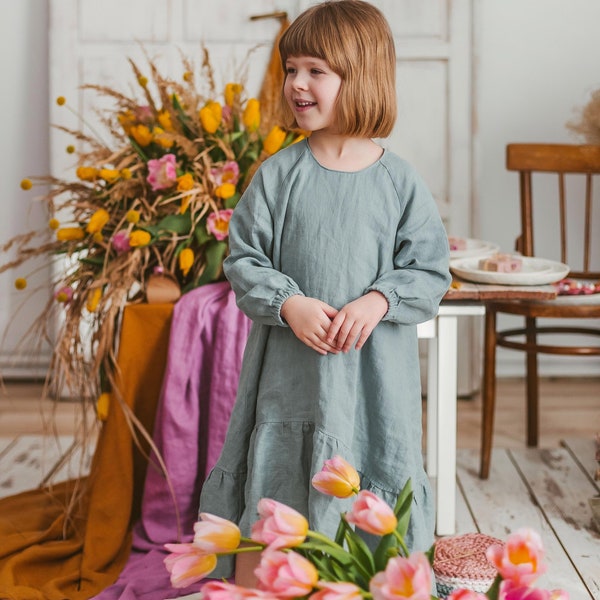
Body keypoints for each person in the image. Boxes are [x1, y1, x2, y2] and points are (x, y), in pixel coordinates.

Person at [198, 0, 451, 587]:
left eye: (315, 70)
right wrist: (289, 302)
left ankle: (365, 581)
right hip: (290, 377)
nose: (297, 84)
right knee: (279, 482)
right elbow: (244, 259)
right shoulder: (279, 175)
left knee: (371, 473)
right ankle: (268, 579)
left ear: (359, 76)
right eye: (291, 69)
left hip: (371, 382)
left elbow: (429, 270)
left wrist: (377, 301)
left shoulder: (398, 181)